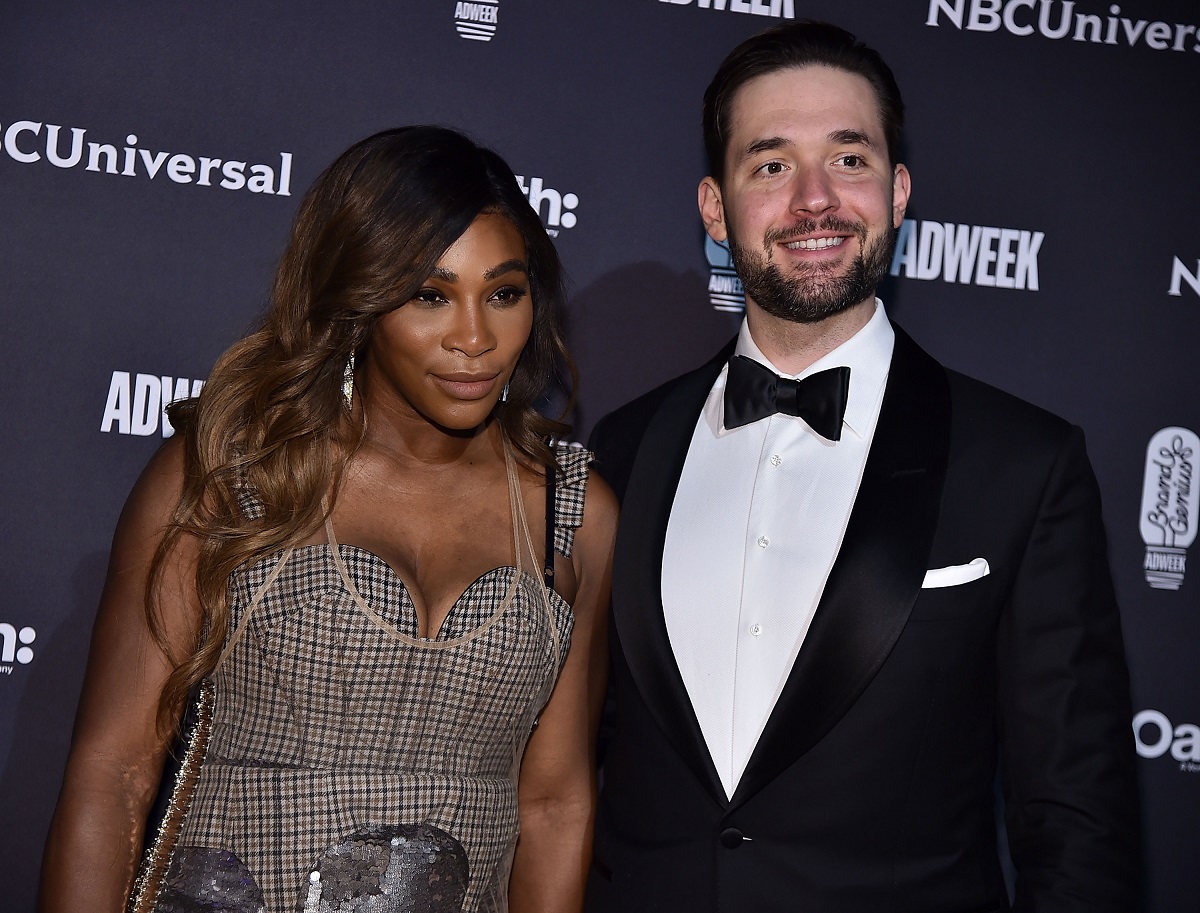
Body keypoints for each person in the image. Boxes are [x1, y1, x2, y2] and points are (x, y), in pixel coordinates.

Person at [585, 21, 1138, 913]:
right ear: (716, 209)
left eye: (848, 159)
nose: (815, 199)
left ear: (898, 189)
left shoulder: (1023, 465)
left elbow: (1076, 820)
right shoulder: (624, 445)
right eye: (770, 165)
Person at [39, 126, 616, 913]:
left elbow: (555, 805)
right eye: (430, 295)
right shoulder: (230, 472)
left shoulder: (572, 514)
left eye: (504, 293)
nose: (476, 339)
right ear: (360, 298)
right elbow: (115, 772)